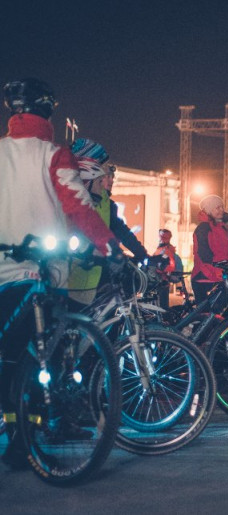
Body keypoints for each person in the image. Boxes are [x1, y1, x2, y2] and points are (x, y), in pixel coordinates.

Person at [0, 78, 120, 470]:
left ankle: (18, 433)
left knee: (11, 356)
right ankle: (28, 438)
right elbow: (78, 205)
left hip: (4, 270)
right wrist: (108, 246)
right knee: (42, 358)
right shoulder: (55, 154)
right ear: (49, 111)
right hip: (47, 273)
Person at [66, 143, 149, 305]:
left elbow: (119, 230)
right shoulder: (66, 196)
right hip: (70, 276)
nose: (109, 178)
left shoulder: (104, 201)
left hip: (94, 275)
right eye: (104, 170)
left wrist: (141, 256)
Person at [190, 194, 228, 304]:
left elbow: (226, 251)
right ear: (209, 210)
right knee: (206, 311)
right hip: (204, 275)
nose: (221, 210)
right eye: (217, 207)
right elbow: (203, 253)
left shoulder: (222, 227)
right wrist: (218, 266)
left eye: (222, 207)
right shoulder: (203, 228)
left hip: (218, 274)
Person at [153, 228, 181, 310]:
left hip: (163, 280)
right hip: (158, 280)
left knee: (162, 306)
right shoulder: (160, 249)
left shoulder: (168, 250)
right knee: (159, 304)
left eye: (164, 237)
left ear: (169, 238)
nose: (161, 239)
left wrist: (162, 272)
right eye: (161, 237)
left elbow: (169, 265)